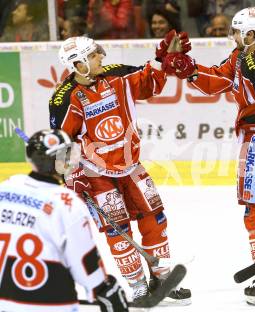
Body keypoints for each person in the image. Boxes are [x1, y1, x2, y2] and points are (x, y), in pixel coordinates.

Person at [162, 6, 255, 306]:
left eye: (238, 31)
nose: (233, 35)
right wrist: (190, 70)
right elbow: (218, 79)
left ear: (252, 34)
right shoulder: (246, 57)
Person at [48, 34, 192, 305]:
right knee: (118, 229)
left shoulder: (118, 77)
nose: (101, 56)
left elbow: (150, 82)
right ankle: (137, 286)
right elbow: (61, 142)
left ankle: (161, 277)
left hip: (131, 165)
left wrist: (163, 59)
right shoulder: (64, 99)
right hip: (95, 174)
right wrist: (71, 175)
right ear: (78, 65)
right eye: (93, 55)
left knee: (155, 218)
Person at [0, 129, 129, 312]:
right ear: (61, 163)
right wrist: (104, 289)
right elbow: (86, 265)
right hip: (50, 304)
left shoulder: (5, 188)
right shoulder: (67, 204)